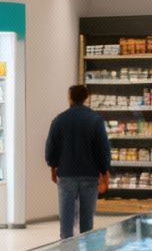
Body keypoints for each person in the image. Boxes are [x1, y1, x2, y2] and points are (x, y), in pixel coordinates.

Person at [44, 84, 112, 239]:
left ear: (70, 97)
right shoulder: (95, 120)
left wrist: (53, 168)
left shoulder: (59, 120)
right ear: (87, 98)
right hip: (89, 175)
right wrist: (104, 172)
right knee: (87, 220)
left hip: (67, 174)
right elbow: (102, 149)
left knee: (66, 219)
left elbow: (51, 148)